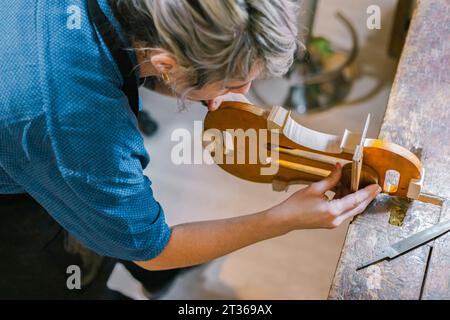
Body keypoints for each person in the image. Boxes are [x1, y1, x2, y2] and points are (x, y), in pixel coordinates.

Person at [0, 0, 381, 299]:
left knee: (116, 216)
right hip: (16, 193)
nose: (243, 92)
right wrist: (283, 219)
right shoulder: (81, 127)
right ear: (167, 63)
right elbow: (154, 250)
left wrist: (198, 83)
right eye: (234, 81)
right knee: (71, 280)